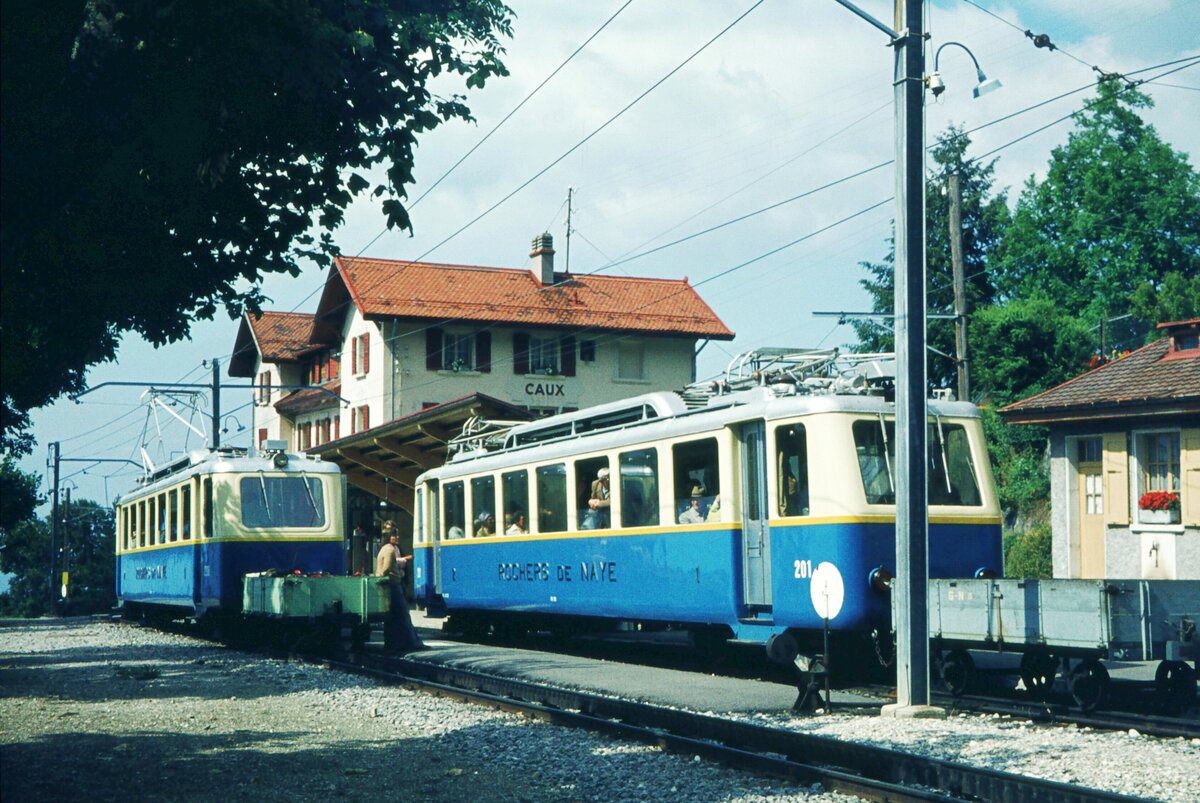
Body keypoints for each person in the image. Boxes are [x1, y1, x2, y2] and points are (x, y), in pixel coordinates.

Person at [374, 529, 424, 652]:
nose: (397, 537)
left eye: (397, 534)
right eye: (394, 535)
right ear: (389, 537)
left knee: (391, 617)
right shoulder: (390, 550)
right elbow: (386, 568)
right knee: (403, 615)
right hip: (393, 584)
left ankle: (392, 644)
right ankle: (411, 643)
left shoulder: (383, 548)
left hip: (387, 584)